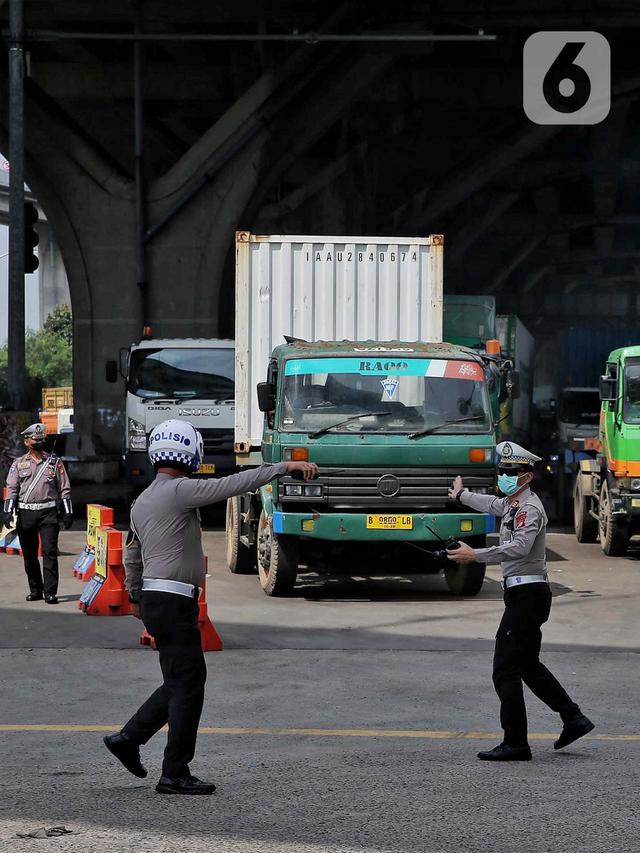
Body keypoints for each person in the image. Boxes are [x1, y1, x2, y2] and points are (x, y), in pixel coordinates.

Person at [104, 419, 318, 795]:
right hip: (172, 601)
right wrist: (281, 468)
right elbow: (229, 485)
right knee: (189, 685)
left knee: (181, 680)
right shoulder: (179, 490)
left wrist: (136, 596)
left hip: (157, 600)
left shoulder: (143, 500)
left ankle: (129, 739)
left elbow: (132, 552)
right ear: (191, 453)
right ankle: (173, 772)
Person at [447, 440, 594, 761]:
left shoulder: (529, 508)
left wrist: (476, 555)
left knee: (504, 669)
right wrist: (460, 495)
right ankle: (573, 717)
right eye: (502, 471)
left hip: (528, 595)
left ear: (527, 476)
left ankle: (516, 742)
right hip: (521, 594)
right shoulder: (512, 503)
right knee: (527, 665)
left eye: (510, 472)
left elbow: (519, 547)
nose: (504, 477)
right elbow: (489, 503)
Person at [3, 423, 73, 605]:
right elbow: (12, 489)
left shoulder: (54, 462)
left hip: (48, 513)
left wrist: (68, 512)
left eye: (41, 439)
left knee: (49, 552)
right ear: (27, 441)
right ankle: (36, 590)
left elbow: (64, 489)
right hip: (26, 513)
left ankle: (50, 592)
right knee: (30, 554)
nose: (39, 442)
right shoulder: (18, 464)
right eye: (35, 439)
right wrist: (7, 512)